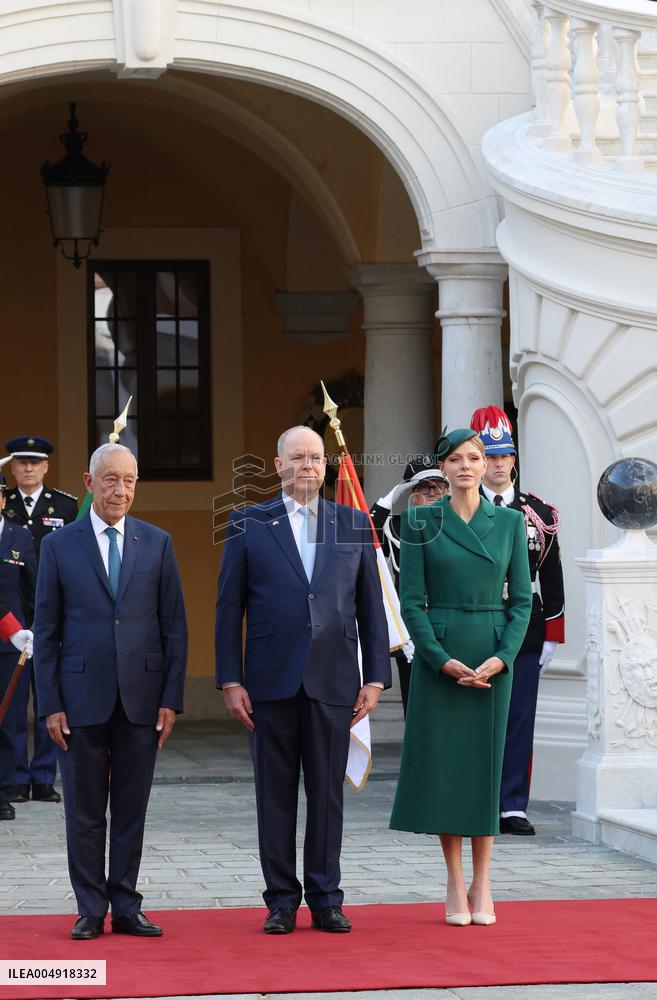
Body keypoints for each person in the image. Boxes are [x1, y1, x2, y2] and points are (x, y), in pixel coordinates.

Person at [215, 425, 391, 935]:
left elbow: (371, 610)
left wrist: (375, 676)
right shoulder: (247, 522)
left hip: (335, 681)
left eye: (315, 457)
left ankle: (326, 897)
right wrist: (230, 678)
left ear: (326, 465)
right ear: (277, 466)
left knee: (327, 797)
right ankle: (281, 901)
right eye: (297, 457)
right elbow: (229, 609)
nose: (308, 466)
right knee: (274, 796)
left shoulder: (354, 524)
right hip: (268, 684)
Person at [34, 443, 188, 940]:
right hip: (79, 700)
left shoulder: (158, 543)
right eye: (110, 480)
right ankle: (90, 909)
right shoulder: (59, 546)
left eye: (128, 481)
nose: (120, 490)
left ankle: (125, 903)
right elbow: (47, 630)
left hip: (142, 698)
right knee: (83, 810)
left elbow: (174, 629)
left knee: (130, 808)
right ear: (88, 481)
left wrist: (170, 697)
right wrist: (51, 703)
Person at [390, 428, 532, 926]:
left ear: (492, 464)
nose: (468, 466)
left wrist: (504, 657)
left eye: (476, 457)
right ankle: (453, 880)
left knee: (484, 768)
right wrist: (438, 658)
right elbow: (410, 602)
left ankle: (484, 880)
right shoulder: (419, 521)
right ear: (442, 468)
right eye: (457, 459)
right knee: (448, 770)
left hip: (493, 654)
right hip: (441, 658)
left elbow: (521, 603)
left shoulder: (512, 522)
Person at [470, 405, 565, 836]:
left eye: (505, 454)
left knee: (519, 717)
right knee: (475, 718)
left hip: (525, 627)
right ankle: (477, 801)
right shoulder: (458, 510)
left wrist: (554, 632)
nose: (498, 463)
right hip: (473, 623)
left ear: (514, 457)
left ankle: (512, 805)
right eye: (489, 456)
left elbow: (552, 572)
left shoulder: (539, 513)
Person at [4, 434, 78, 805]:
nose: (29, 468)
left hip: (53, 619)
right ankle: (17, 776)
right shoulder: (4, 503)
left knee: (49, 699)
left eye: (35, 462)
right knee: (15, 704)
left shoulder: (66, 506)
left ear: (46, 466)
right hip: (12, 622)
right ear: (12, 467)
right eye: (21, 462)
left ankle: (44, 776)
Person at [370, 456, 448, 715]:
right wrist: (393, 494)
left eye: (440, 486)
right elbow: (366, 532)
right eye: (425, 487)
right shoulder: (397, 525)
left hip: (450, 626)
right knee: (415, 707)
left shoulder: (460, 525)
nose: (434, 493)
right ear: (413, 493)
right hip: (412, 631)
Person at [0, 471, 37, 822]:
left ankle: (5, 790)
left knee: (10, 719)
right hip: (5, 629)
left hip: (11, 645)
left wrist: (34, 628)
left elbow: (33, 587)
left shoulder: (19, 535)